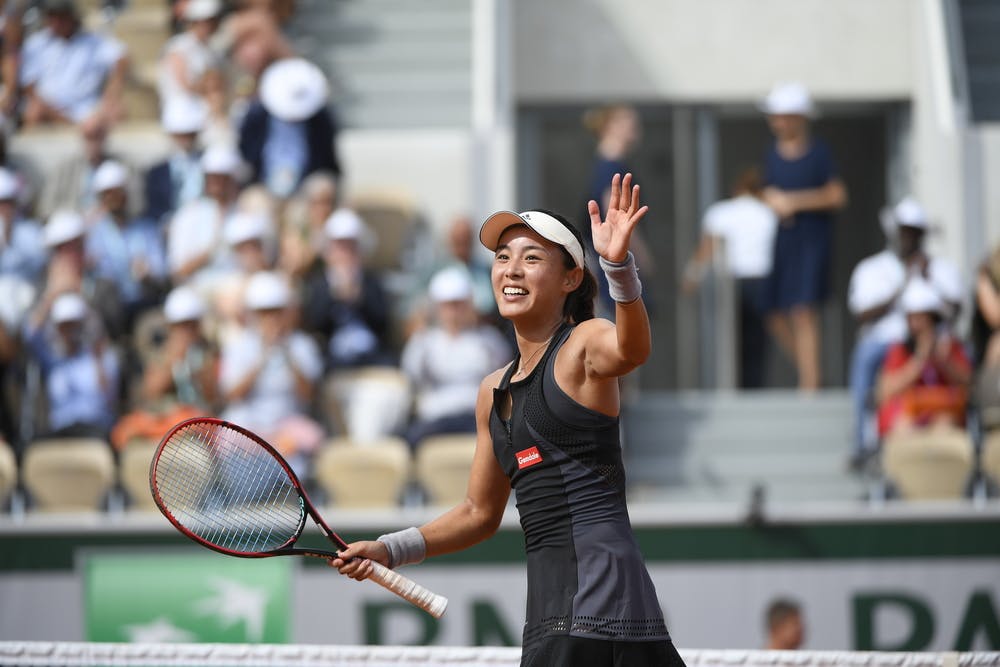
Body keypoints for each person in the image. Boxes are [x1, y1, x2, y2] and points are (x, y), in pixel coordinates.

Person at [332, 173, 685, 667]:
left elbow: (633, 349)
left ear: (570, 279)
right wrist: (390, 549)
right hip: (553, 613)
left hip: (599, 609)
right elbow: (479, 513)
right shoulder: (491, 392)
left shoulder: (583, 343)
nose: (511, 270)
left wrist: (618, 267)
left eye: (531, 257)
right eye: (502, 258)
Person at [846, 197, 963, 469]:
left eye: (914, 231)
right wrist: (903, 284)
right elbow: (861, 313)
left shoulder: (940, 269)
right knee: (865, 356)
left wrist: (927, 278)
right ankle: (863, 442)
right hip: (887, 342)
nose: (908, 237)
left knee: (961, 354)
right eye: (904, 230)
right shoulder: (873, 268)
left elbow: (957, 310)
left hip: (934, 341)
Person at [758, 82, 848, 391]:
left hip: (812, 241)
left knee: (803, 310)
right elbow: (769, 192)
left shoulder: (819, 152)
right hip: (784, 241)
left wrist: (794, 201)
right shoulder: (772, 154)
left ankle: (809, 383)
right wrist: (771, 199)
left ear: (798, 117)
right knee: (774, 312)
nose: (776, 122)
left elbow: (837, 195)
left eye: (782, 116)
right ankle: (812, 372)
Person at [219, 270, 325, 477]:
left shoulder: (301, 345)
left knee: (311, 439)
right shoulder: (239, 346)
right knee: (227, 437)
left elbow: (308, 394)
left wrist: (285, 352)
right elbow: (232, 395)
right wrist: (262, 357)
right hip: (249, 426)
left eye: (275, 311)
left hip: (286, 425)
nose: (270, 319)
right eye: (264, 312)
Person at [682, 166, 778, 388]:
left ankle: (730, 387)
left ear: (737, 189)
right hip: (762, 281)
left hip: (730, 283)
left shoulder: (721, 212)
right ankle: (754, 389)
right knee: (757, 342)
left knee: (730, 339)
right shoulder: (768, 212)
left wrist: (691, 277)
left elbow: (706, 250)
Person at [400, 266, 510, 451]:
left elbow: (504, 382)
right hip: (435, 417)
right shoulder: (424, 341)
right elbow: (411, 376)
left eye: (458, 304)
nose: (453, 311)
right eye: (447, 305)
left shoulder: (489, 339)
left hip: (475, 418)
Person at [876, 278, 971, 439]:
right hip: (908, 418)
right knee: (905, 429)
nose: (916, 325)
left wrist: (943, 362)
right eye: (912, 318)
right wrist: (920, 360)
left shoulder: (950, 347)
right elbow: (886, 391)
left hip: (943, 416)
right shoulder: (899, 349)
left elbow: (968, 381)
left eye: (921, 318)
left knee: (945, 427)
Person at [300, 208, 393, 369]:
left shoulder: (371, 281)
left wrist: (358, 297)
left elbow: (382, 324)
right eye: (340, 246)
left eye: (351, 246)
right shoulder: (319, 284)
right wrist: (335, 295)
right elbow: (315, 324)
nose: (345, 252)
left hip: (370, 354)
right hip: (333, 356)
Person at [238, 57, 341, 200]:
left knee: (321, 188)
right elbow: (245, 151)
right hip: (263, 182)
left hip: (306, 185)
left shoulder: (320, 120)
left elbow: (329, 160)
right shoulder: (257, 116)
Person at [19, 0, 127, 131]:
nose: (57, 22)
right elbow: (28, 83)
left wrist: (112, 93)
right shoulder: (36, 43)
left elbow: (121, 58)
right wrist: (50, 109)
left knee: (115, 112)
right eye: (53, 17)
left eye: (62, 16)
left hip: (85, 108)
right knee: (33, 112)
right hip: (47, 109)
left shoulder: (94, 41)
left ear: (73, 17)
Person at [144, 95, 209, 224]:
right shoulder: (157, 173)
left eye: (189, 134)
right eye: (180, 134)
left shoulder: (209, 162)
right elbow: (154, 209)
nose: (185, 139)